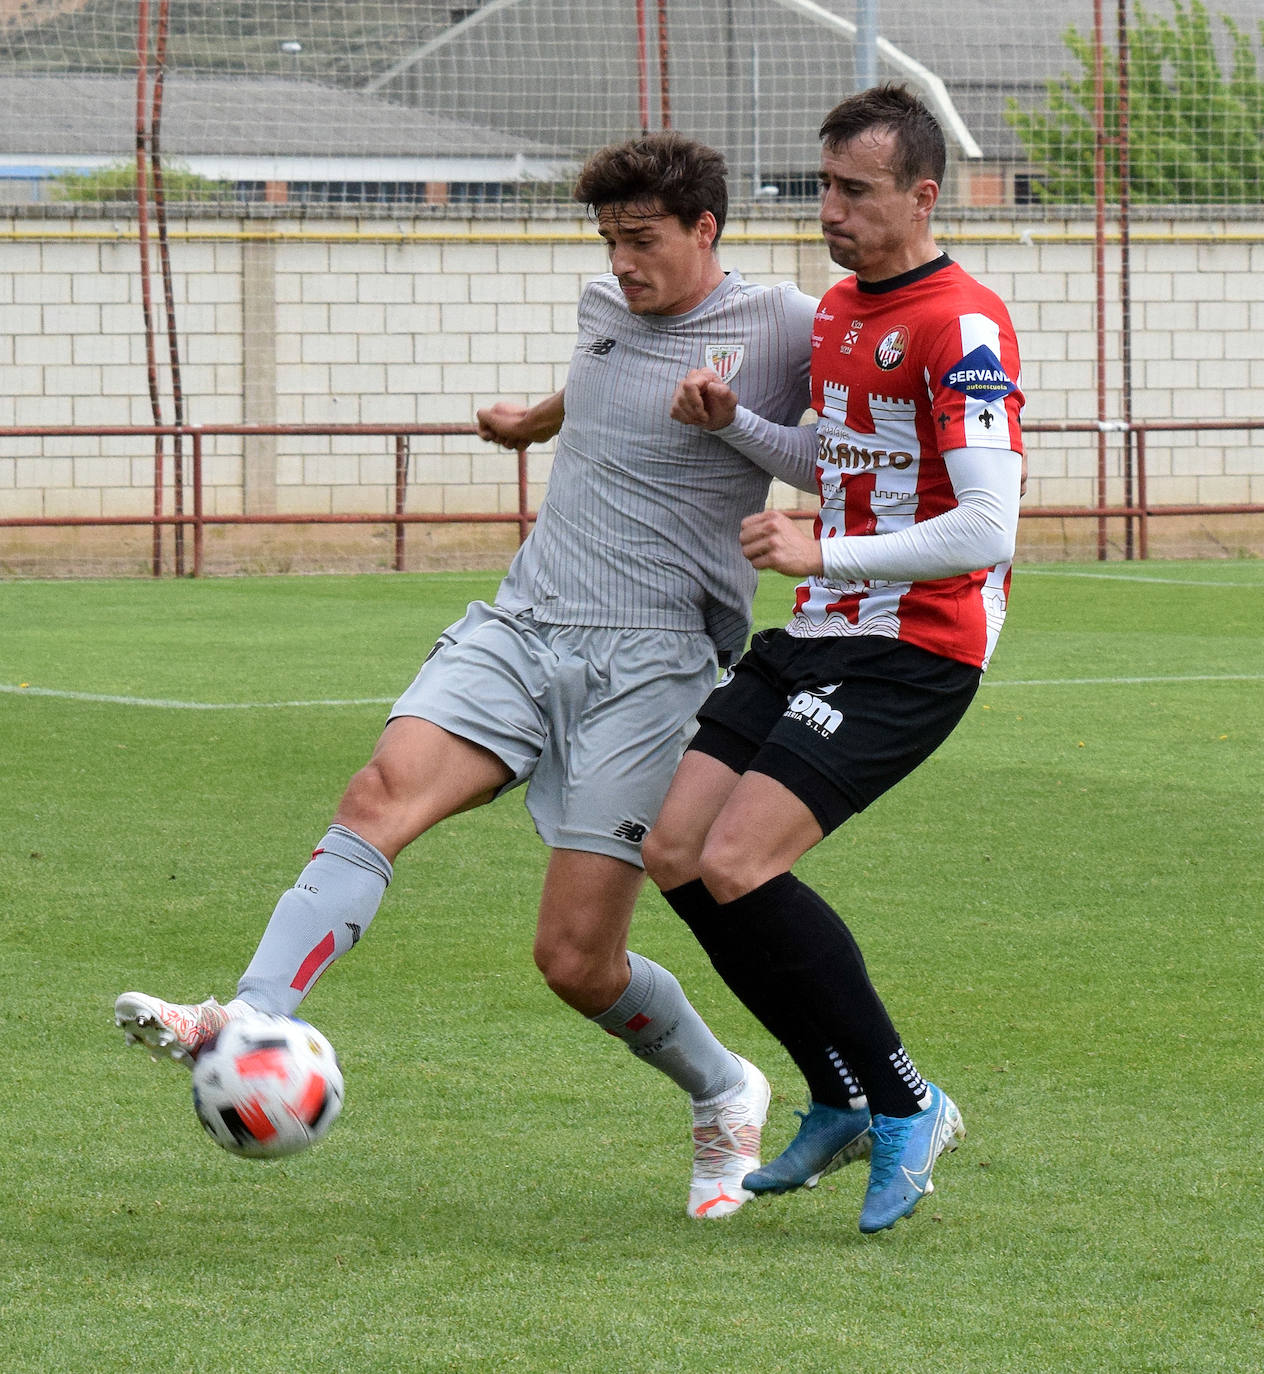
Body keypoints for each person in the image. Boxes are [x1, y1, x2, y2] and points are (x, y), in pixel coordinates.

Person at [114, 131, 827, 1219]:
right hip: (526, 620)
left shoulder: (782, 326)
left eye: (643, 242)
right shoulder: (604, 309)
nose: (622, 263)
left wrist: (739, 428)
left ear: (706, 231)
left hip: (655, 662)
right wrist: (528, 421)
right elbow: (602, 384)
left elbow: (839, 456)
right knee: (377, 795)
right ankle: (251, 1016)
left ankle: (725, 1090)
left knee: (577, 961)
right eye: (608, 241)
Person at [642, 84, 1025, 1233]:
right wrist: (737, 429)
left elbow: (988, 524)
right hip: (821, 625)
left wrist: (832, 549)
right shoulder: (841, 315)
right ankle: (836, 1093)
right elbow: (840, 454)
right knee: (674, 850)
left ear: (922, 193)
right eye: (824, 187)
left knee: (743, 859)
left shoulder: (962, 323)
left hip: (915, 644)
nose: (831, 212)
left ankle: (907, 1101)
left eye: (856, 192)